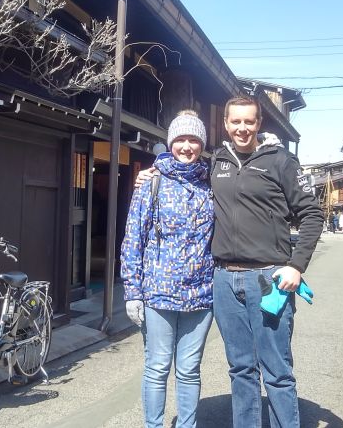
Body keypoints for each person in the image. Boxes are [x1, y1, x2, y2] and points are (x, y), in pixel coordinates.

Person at [136, 96, 323, 427]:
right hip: (223, 280)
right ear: (225, 124)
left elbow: (311, 212)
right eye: (235, 121)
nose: (242, 127)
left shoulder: (282, 161)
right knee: (240, 368)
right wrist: (152, 173)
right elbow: (183, 167)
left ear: (258, 123)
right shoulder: (217, 162)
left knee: (277, 369)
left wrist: (297, 265)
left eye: (248, 121)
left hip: (269, 279)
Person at [121, 110, 215, 428]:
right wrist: (132, 291)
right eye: (180, 140)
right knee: (158, 367)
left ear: (202, 144)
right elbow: (133, 239)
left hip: (201, 295)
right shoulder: (152, 183)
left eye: (193, 140)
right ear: (170, 142)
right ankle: (154, 425)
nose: (187, 146)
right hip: (158, 294)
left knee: (189, 370)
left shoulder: (211, 185)